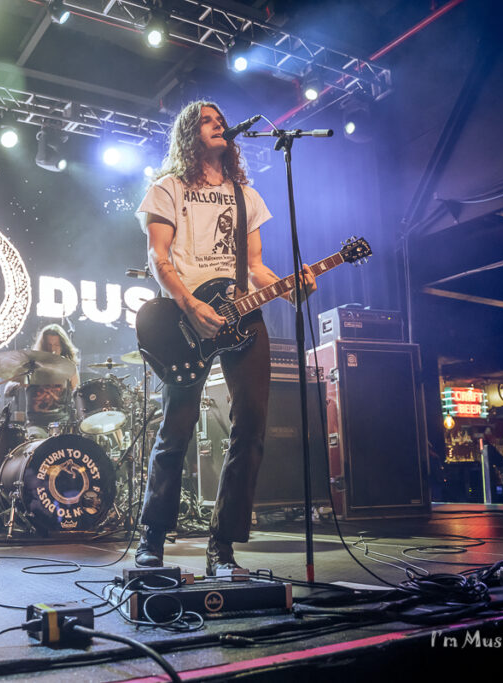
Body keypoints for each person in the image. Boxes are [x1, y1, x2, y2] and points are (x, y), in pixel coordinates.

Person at [134, 101, 316, 574]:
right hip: (186, 317)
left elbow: (255, 268)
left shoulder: (245, 195)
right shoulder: (168, 188)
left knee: (251, 427)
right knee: (176, 428)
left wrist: (289, 289)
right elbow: (158, 257)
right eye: (207, 121)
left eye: (220, 120)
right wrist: (189, 304)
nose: (219, 125)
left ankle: (224, 545)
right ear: (190, 133)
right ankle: (153, 537)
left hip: (242, 316)